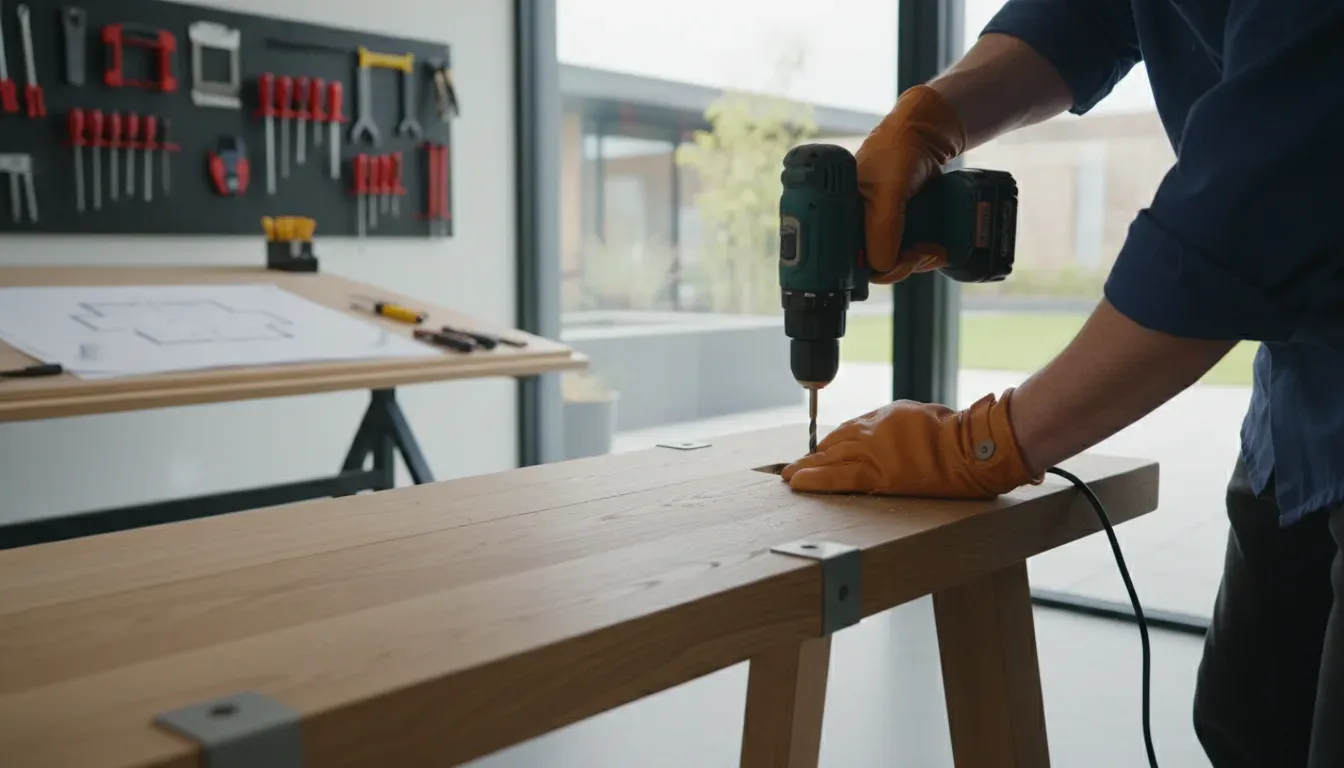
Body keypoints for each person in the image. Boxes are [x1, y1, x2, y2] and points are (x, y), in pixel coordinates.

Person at [778, 1, 1344, 765]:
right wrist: (932, 117)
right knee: (1245, 722)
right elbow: (1085, 13)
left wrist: (988, 441)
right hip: (1304, 410)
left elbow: (1252, 207)